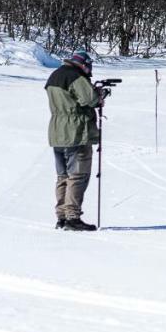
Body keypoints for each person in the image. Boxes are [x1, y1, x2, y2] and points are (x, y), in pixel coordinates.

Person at [44, 49, 102, 231]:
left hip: (57, 132)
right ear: (84, 65)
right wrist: (99, 96)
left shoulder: (55, 75)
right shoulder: (74, 77)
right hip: (76, 133)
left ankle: (61, 216)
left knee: (63, 176)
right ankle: (72, 217)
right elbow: (90, 99)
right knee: (77, 176)